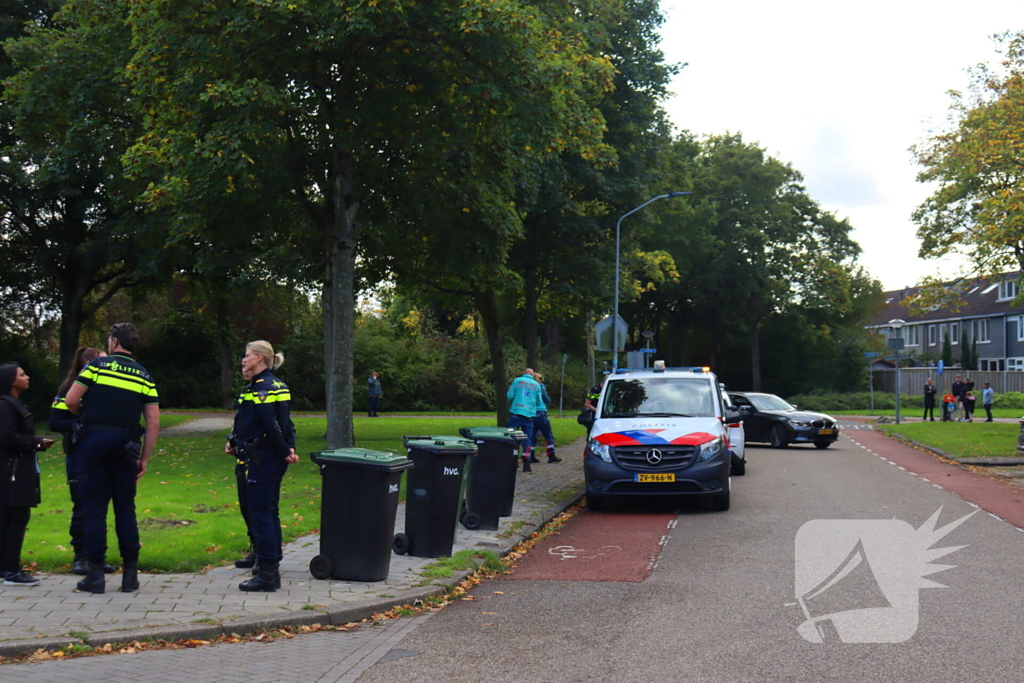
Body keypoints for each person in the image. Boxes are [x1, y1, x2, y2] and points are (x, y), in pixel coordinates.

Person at [65, 323, 160, 594]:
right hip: (126, 445)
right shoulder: (144, 375)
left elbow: (71, 400)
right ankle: (130, 575)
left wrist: (87, 412)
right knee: (125, 508)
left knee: (94, 507)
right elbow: (153, 422)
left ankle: (95, 575)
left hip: (93, 441)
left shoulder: (95, 367)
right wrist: (143, 458)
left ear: (115, 342)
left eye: (109, 338)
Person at [225, 341, 298, 592]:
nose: (243, 360)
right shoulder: (274, 385)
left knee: (260, 513)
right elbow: (283, 424)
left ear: (258, 357)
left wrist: (284, 452)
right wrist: (233, 440)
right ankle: (270, 561)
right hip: (268, 456)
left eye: (246, 356)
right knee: (269, 511)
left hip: (263, 458)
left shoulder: (263, 387)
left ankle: (267, 573)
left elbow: (272, 425)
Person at [49, 347, 115, 576]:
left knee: (100, 506)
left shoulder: (106, 390)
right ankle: (80, 555)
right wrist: (80, 425)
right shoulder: (69, 390)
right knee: (82, 505)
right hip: (78, 453)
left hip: (102, 453)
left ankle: (98, 555)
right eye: (104, 362)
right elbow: (55, 422)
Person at [0, 363, 55, 585]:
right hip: (13, 470)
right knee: (17, 517)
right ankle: (12, 570)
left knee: (9, 518)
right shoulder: (6, 406)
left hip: (15, 468)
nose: (27, 377)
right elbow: (6, 437)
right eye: (22, 374)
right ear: (12, 381)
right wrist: (37, 443)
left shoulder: (13, 404)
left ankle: (5, 568)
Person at [227, 364, 258, 571]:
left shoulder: (265, 391)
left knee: (258, 506)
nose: (244, 368)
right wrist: (232, 439)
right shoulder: (246, 392)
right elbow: (240, 421)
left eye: (247, 362)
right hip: (242, 454)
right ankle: (255, 547)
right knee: (245, 504)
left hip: (256, 455)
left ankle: (264, 554)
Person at [506, 368, 541, 473]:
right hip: (529, 415)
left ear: (524, 373)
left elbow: (510, 396)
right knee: (527, 438)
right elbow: (539, 402)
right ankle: (526, 462)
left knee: (511, 436)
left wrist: (517, 401)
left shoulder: (517, 380)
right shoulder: (537, 385)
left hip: (516, 412)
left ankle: (513, 460)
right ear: (532, 375)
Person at [530, 373, 560, 464]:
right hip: (540, 412)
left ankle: (531, 455)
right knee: (548, 435)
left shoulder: (529, 386)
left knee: (532, 435)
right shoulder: (540, 386)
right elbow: (547, 400)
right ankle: (551, 455)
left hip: (531, 412)